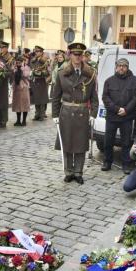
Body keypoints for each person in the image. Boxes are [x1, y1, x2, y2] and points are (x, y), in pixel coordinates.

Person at [51, 42, 99, 184]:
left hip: (83, 112)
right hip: (66, 112)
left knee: (80, 144)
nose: (78, 57)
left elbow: (94, 97)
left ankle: (78, 172)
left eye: (80, 54)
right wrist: (54, 115)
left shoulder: (90, 74)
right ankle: (68, 172)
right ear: (70, 55)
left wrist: (93, 114)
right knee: (67, 144)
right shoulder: (62, 73)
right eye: (75, 54)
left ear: (83, 56)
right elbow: (55, 96)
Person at [101, 58, 136, 174]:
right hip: (112, 116)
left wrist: (126, 110)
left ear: (127, 67)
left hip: (127, 117)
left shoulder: (134, 80)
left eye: (124, 66)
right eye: (119, 65)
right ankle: (107, 162)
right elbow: (105, 98)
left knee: (126, 142)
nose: (121, 67)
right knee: (108, 141)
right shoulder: (109, 81)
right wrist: (117, 109)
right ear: (116, 67)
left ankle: (126, 164)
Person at [0, 41, 13, 128]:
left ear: (6, 48)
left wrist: (2, 73)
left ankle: (4, 120)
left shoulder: (10, 58)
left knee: (3, 102)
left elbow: (11, 71)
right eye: (0, 48)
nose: (1, 49)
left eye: (3, 48)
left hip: (3, 83)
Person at [30, 45, 50, 121]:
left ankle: (42, 114)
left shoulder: (45, 60)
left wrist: (41, 73)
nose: (37, 53)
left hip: (42, 82)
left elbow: (48, 72)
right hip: (35, 81)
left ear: (42, 52)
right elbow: (31, 67)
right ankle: (37, 114)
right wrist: (33, 72)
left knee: (42, 99)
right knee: (36, 98)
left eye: (38, 51)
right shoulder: (33, 60)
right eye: (36, 51)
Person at [12, 55, 31, 126]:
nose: (18, 64)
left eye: (19, 62)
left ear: (23, 62)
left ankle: (24, 121)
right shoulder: (15, 68)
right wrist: (14, 69)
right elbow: (12, 75)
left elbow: (26, 75)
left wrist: (22, 68)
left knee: (24, 104)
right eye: (17, 62)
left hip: (24, 88)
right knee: (17, 105)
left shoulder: (26, 68)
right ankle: (18, 120)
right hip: (16, 88)